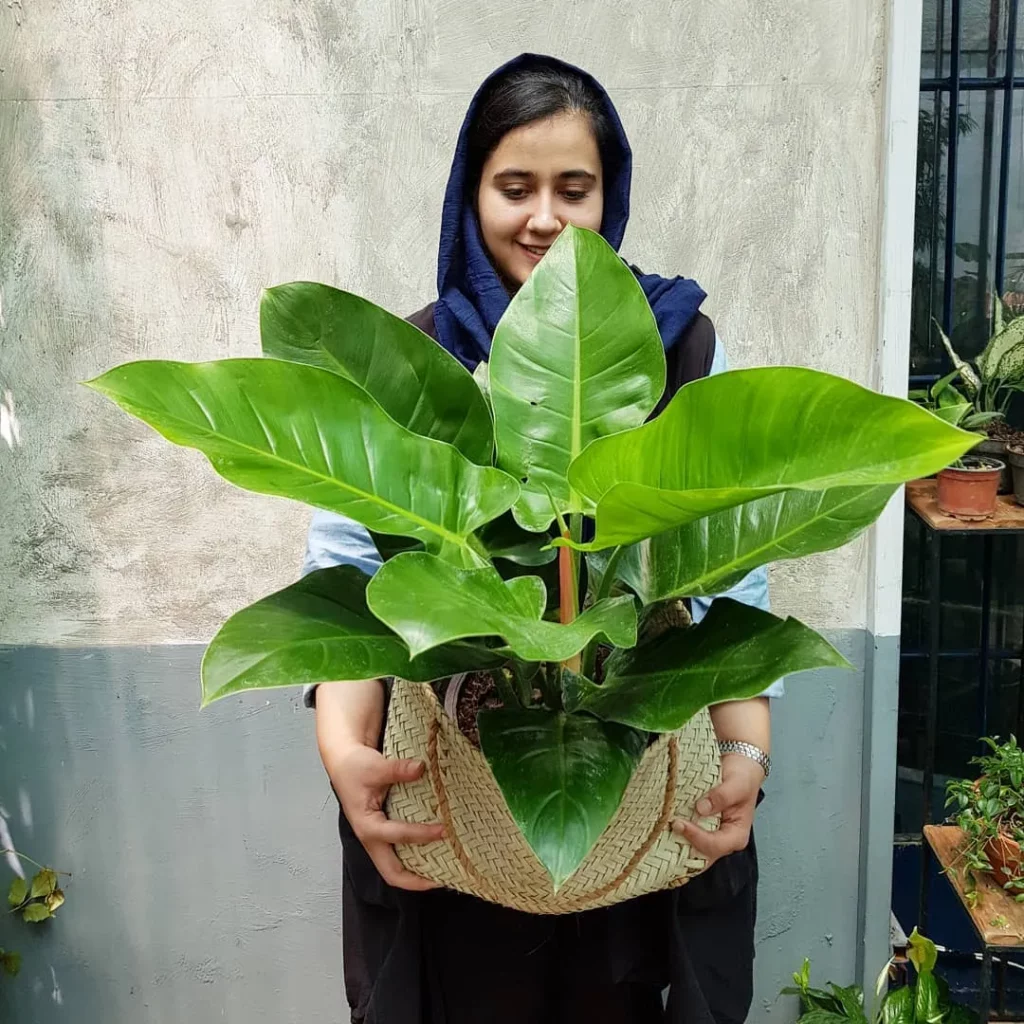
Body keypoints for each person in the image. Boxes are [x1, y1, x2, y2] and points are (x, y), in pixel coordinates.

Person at [304, 53, 781, 1024]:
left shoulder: (678, 343)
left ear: (611, 197)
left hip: (638, 804)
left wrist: (747, 756)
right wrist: (342, 754)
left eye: (576, 188)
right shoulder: (419, 360)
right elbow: (352, 583)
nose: (544, 219)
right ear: (467, 192)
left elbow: (737, 580)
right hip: (462, 813)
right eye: (513, 187)